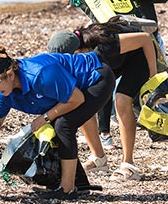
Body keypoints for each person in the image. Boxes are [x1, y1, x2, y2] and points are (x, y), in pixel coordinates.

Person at [0, 46, 115, 200]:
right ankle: (79, 183)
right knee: (52, 126)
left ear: (9, 74)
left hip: (96, 78)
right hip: (70, 92)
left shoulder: (39, 74)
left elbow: (77, 99)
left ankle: (67, 189)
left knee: (63, 125)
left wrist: (43, 118)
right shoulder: (2, 94)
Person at [47, 17, 157, 182]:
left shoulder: (106, 44)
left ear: (77, 52)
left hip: (139, 57)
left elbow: (145, 39)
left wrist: (153, 73)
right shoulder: (84, 54)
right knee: (82, 101)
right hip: (113, 62)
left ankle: (129, 164)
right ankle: (99, 158)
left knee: (121, 101)